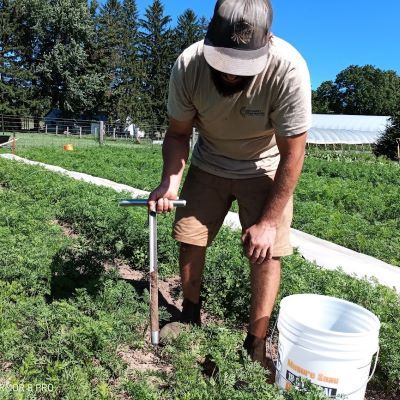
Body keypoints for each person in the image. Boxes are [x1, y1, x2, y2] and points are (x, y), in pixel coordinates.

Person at [148, 0, 311, 375]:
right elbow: (177, 134)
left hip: (266, 163)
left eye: (242, 67)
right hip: (209, 160)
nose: (232, 75)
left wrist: (269, 221)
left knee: (266, 252)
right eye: (223, 64)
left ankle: (255, 344)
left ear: (266, 42)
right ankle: (190, 314)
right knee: (189, 234)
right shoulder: (188, 66)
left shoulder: (288, 69)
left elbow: (293, 155)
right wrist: (170, 181)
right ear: (208, 41)